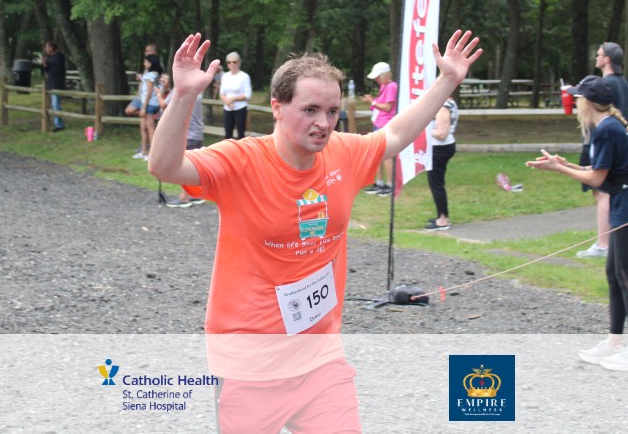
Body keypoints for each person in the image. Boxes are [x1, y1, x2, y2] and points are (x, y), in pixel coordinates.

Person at [149, 30, 482, 432]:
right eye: (310, 110)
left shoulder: (343, 152)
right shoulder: (241, 160)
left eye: (331, 111)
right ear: (277, 107)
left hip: (320, 359)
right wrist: (184, 94)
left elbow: (395, 134)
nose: (323, 123)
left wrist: (447, 80)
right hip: (249, 365)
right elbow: (164, 167)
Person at [526, 75, 628, 373]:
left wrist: (559, 170)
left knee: (627, 277)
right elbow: (599, 168)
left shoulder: (607, 129)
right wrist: (565, 164)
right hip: (624, 201)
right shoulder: (607, 126)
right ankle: (614, 342)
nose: (574, 103)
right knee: (614, 273)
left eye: (577, 98)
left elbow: (597, 179)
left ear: (587, 102)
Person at [577, 42, 628, 259]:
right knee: (608, 193)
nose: (596, 58)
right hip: (616, 142)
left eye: (599, 55)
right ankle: (611, 241)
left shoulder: (605, 84)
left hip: (600, 144)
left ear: (607, 59)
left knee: (602, 194)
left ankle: (603, 244)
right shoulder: (623, 82)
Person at [159, 76, 206, 209]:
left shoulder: (181, 88)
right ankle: (195, 194)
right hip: (197, 132)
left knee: (183, 165)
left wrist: (159, 93)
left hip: (188, 133)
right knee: (195, 165)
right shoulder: (198, 90)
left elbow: (163, 105)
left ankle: (184, 197)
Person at [361, 61, 397, 196]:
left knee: (386, 155)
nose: (376, 79)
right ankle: (379, 183)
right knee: (377, 155)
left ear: (384, 75)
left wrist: (372, 102)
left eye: (378, 76)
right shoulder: (384, 86)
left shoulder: (391, 86)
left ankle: (390, 185)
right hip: (378, 123)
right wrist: (373, 101)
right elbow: (380, 105)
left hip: (385, 124)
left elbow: (387, 107)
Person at [424, 97, 458, 230]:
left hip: (440, 148)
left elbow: (441, 134)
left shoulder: (443, 106)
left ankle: (443, 219)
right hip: (442, 147)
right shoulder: (450, 102)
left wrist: (424, 129)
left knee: (436, 184)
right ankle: (441, 214)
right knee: (437, 183)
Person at [219, 51, 252, 139]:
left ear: (239, 62)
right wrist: (227, 101)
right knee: (227, 135)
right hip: (227, 108)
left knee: (241, 135)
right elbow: (222, 93)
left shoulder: (244, 76)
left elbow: (247, 95)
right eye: (229, 62)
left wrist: (232, 99)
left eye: (234, 62)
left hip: (240, 108)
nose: (232, 64)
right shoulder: (225, 76)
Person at [41, 41, 66, 132]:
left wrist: (48, 63)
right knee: (54, 105)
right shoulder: (51, 57)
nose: (46, 49)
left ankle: (59, 125)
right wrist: (45, 64)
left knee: (56, 105)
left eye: (47, 47)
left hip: (57, 83)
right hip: (51, 83)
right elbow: (48, 71)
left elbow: (58, 70)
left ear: (51, 47)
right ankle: (58, 123)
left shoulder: (60, 56)